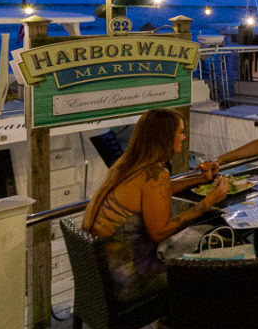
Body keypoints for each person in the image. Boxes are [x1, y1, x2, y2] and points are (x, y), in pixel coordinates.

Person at [82, 109, 227, 303]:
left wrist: (198, 179)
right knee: (219, 251)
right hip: (132, 280)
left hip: (107, 275)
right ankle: (188, 324)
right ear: (165, 137)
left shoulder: (128, 165)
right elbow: (159, 233)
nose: (184, 137)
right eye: (180, 132)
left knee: (203, 239)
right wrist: (208, 202)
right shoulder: (156, 174)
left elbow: (158, 190)